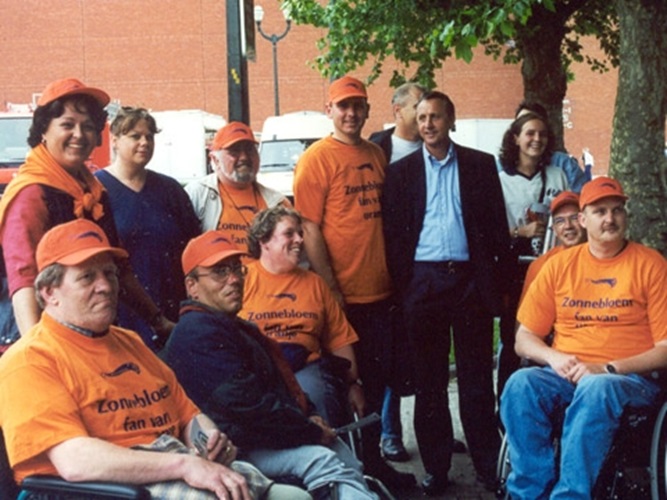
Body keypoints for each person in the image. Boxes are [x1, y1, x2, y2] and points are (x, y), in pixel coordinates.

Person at [0, 218, 309, 500]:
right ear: (49, 291)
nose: (105, 286)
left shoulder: (129, 342)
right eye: (87, 277)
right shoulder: (30, 360)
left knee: (295, 498)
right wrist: (184, 465)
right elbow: (74, 462)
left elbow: (188, 416)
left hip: (170, 465)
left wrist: (210, 440)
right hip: (98, 489)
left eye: (109, 273)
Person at [164, 231, 379, 499]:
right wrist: (309, 430)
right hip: (239, 451)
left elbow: (277, 389)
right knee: (325, 462)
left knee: (343, 459)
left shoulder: (228, 325)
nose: (233, 279)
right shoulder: (196, 333)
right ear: (192, 286)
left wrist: (309, 416)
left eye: (236, 269)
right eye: (219, 272)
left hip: (261, 438)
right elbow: (248, 406)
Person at [500, 176, 667, 499]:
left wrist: (607, 368)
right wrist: (554, 357)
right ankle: (529, 492)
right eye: (600, 211)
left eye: (617, 210)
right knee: (521, 385)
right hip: (565, 373)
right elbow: (525, 338)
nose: (610, 219)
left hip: (628, 379)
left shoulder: (651, 265)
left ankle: (570, 495)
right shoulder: (559, 266)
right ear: (582, 219)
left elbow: (665, 347)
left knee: (596, 387)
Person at [382, 90, 510, 495]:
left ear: (451, 120)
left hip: (469, 283)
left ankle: (487, 466)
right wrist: (405, 288)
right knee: (429, 382)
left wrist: (498, 288)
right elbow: (392, 236)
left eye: (436, 117)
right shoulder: (400, 173)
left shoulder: (479, 165)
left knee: (475, 381)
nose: (428, 125)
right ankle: (436, 468)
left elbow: (496, 232)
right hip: (423, 285)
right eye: (422, 118)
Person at [293, 75, 415, 491]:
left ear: (366, 110)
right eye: (342, 106)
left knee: (376, 384)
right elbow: (309, 226)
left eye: (357, 106)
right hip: (343, 297)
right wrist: (331, 289)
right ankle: (350, 472)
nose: (350, 113)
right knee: (346, 386)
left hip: (381, 292)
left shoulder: (375, 155)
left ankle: (374, 462)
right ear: (329, 110)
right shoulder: (316, 159)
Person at [0, 78, 171, 347]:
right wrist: (38, 353)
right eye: (67, 125)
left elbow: (118, 269)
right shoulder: (30, 193)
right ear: (43, 130)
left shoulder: (94, 190)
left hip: (85, 336)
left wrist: (157, 320)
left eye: (88, 127)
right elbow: (23, 279)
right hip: (41, 341)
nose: (79, 135)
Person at [368, 81, 447, 463]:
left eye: (431, 112)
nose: (424, 117)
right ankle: (389, 433)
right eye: (418, 109)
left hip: (426, 272)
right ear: (397, 110)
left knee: (422, 359)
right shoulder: (376, 149)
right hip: (388, 268)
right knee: (389, 355)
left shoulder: (435, 151)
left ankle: (438, 435)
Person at [240, 206, 364, 429]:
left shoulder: (315, 283)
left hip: (305, 367)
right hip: (258, 368)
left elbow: (339, 339)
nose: (299, 239)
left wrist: (353, 384)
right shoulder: (245, 279)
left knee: (316, 401)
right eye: (289, 233)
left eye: (300, 233)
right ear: (264, 241)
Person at [96, 106, 201, 350]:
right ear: (114, 140)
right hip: (123, 316)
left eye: (150, 136)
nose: (144, 142)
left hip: (174, 312)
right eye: (135, 136)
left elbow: (194, 249)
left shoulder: (170, 190)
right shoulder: (97, 190)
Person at [496, 111, 569, 400]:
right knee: (515, 338)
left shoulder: (556, 175)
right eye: (530, 133)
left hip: (553, 267)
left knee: (551, 336)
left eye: (542, 134)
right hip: (515, 272)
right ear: (516, 138)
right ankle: (507, 407)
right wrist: (519, 233)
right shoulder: (500, 180)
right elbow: (490, 233)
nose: (536, 139)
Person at [185, 121, 291, 253]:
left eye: (249, 150)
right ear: (215, 159)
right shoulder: (196, 195)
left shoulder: (278, 202)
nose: (244, 157)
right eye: (234, 151)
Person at [518, 190, 587, 306]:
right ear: (554, 228)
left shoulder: (603, 257)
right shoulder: (541, 265)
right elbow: (525, 319)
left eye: (574, 218)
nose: (568, 226)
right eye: (560, 221)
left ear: (585, 221)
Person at [513, 100, 588, 193]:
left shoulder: (563, 164)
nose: (536, 138)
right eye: (522, 121)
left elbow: (582, 198)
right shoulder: (500, 168)